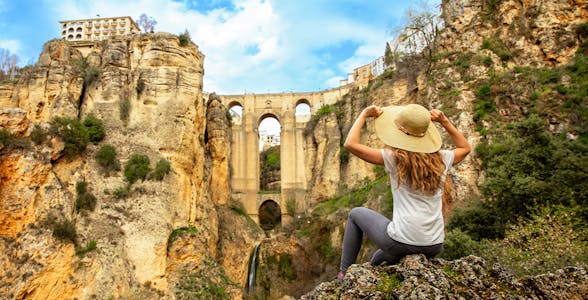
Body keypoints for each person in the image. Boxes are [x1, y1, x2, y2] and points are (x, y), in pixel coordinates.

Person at [336, 103, 470, 280]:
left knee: (355, 214)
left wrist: (363, 115)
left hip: (401, 241)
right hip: (434, 245)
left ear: (400, 133)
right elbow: (465, 148)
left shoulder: (395, 159)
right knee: (379, 259)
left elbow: (350, 144)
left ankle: (343, 274)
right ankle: (371, 275)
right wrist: (445, 121)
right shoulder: (442, 159)